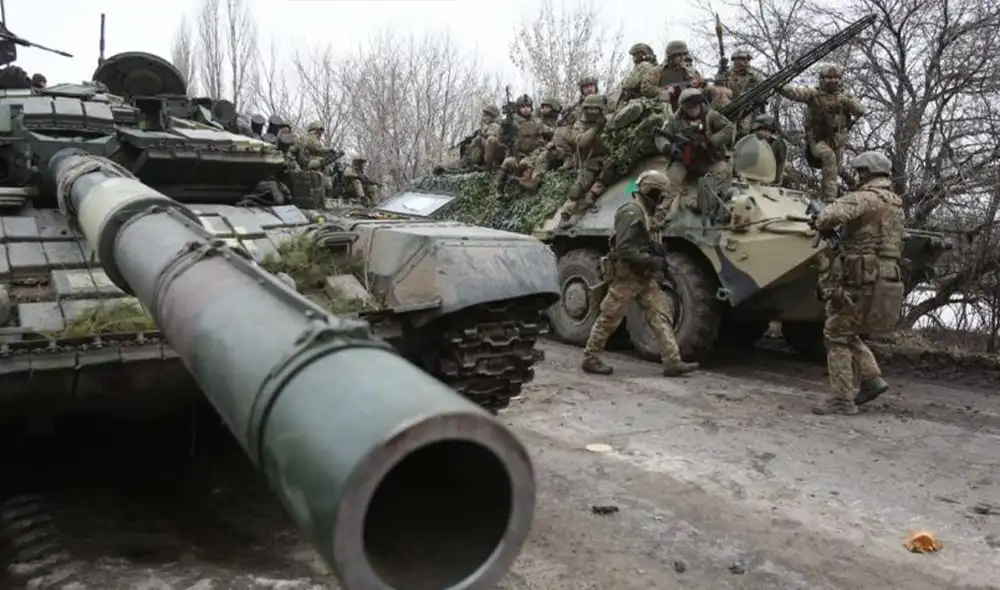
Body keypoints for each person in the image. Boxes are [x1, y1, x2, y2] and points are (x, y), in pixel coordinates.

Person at [581, 170, 700, 377]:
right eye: (660, 195)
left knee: (660, 316)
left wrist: (656, 258)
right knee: (609, 318)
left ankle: (672, 361)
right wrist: (651, 260)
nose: (662, 200)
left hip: (644, 276)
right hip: (627, 276)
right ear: (650, 191)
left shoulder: (644, 212)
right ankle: (590, 358)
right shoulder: (631, 212)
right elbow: (624, 249)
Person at [810, 151, 903, 416]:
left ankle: (842, 399)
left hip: (861, 277)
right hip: (885, 278)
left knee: (834, 333)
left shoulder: (864, 198)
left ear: (866, 174)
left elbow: (827, 217)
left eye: (860, 172)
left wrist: (820, 219)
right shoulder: (895, 203)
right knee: (847, 329)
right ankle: (872, 379)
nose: (857, 177)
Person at [778, 64, 866, 203]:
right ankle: (829, 200)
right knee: (828, 157)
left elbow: (860, 110)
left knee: (837, 168)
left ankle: (854, 187)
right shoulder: (814, 94)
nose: (833, 81)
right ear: (821, 79)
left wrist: (847, 101)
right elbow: (795, 93)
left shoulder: (845, 96)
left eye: (836, 78)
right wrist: (779, 85)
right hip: (818, 139)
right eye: (829, 77)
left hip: (837, 141)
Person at [653, 87, 735, 223]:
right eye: (689, 107)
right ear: (683, 107)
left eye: (695, 105)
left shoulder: (711, 115)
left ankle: (709, 206)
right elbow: (660, 136)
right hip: (685, 160)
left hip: (709, 160)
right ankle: (661, 212)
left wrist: (711, 142)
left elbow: (730, 128)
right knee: (671, 180)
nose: (693, 109)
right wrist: (668, 147)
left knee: (722, 170)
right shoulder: (674, 120)